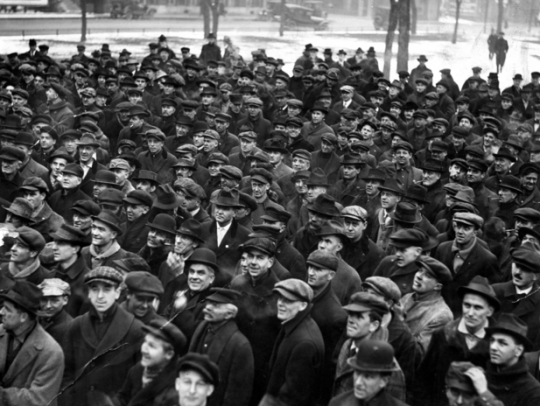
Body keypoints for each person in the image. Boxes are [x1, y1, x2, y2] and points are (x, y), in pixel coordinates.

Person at [61, 267, 145, 406]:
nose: (100, 296)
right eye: (95, 289)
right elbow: (67, 374)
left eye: (107, 289)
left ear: (117, 293)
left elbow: (138, 382)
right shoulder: (76, 326)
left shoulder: (135, 329)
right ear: (89, 293)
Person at [413, 275, 499, 406]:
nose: (470, 313)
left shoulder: (497, 343)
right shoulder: (443, 335)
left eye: (477, 308)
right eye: (467, 305)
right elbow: (423, 380)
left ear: (490, 311)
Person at [260, 279, 324, 406]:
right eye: (280, 299)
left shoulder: (305, 344)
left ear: (303, 305)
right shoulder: (293, 324)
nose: (280, 304)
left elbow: (292, 398)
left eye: (288, 301)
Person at [0, 280, 65, 406]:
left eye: (7, 309)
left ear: (23, 317)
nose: (1, 312)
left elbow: (38, 399)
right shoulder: (1, 332)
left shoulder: (51, 352)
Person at [189, 288, 254, 406]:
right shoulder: (201, 328)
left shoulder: (240, 345)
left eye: (215, 305)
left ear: (229, 314)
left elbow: (237, 397)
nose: (208, 307)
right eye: (208, 303)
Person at [435, 212, 501, 314]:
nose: (460, 232)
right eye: (458, 227)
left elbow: (492, 293)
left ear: (475, 232)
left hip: (467, 315)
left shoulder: (487, 259)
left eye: (466, 228)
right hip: (439, 311)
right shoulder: (442, 249)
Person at [306, 250, 348, 405]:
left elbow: (328, 365)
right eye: (309, 267)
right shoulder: (305, 295)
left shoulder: (335, 315)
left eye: (317, 269)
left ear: (331, 275)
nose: (311, 273)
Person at [114, 319, 187, 406]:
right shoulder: (137, 370)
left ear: (169, 354)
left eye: (151, 346)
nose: (143, 349)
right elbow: (123, 397)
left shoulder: (178, 386)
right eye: (145, 342)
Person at [400, 256, 453, 355]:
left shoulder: (441, 315)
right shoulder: (407, 297)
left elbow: (419, 353)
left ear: (438, 286)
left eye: (427, 275)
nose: (419, 276)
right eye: (420, 270)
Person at [328, 340, 408, 406]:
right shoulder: (338, 403)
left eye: (367, 376)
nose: (358, 382)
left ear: (383, 381)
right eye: (357, 373)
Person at [485, 313, 540, 404]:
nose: (493, 347)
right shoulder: (481, 377)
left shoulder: (532, 392)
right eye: (492, 340)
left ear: (518, 351)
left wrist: (484, 394)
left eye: (502, 343)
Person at [492, 245, 540, 349]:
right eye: (516, 265)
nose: (517, 272)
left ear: (536, 276)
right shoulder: (495, 292)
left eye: (525, 269)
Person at [50, 223, 92, 316]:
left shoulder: (87, 282)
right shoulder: (51, 275)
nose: (54, 247)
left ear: (75, 249)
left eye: (61, 243)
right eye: (54, 242)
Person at [37, 277, 73, 348]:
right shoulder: (38, 319)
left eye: (54, 301)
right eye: (44, 300)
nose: (48, 306)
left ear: (65, 300)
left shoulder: (70, 327)